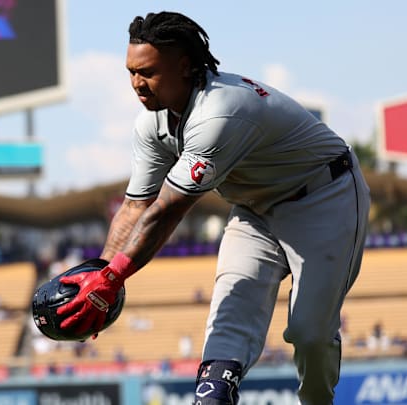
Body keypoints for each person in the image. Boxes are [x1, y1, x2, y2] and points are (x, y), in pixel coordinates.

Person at [55, 11, 370, 405]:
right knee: (228, 318)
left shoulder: (219, 112)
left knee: (309, 334)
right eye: (131, 72)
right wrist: (98, 277)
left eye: (148, 72)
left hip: (326, 198)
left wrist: (114, 277)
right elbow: (135, 206)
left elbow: (166, 211)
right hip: (255, 212)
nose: (137, 83)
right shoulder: (151, 123)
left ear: (184, 67)